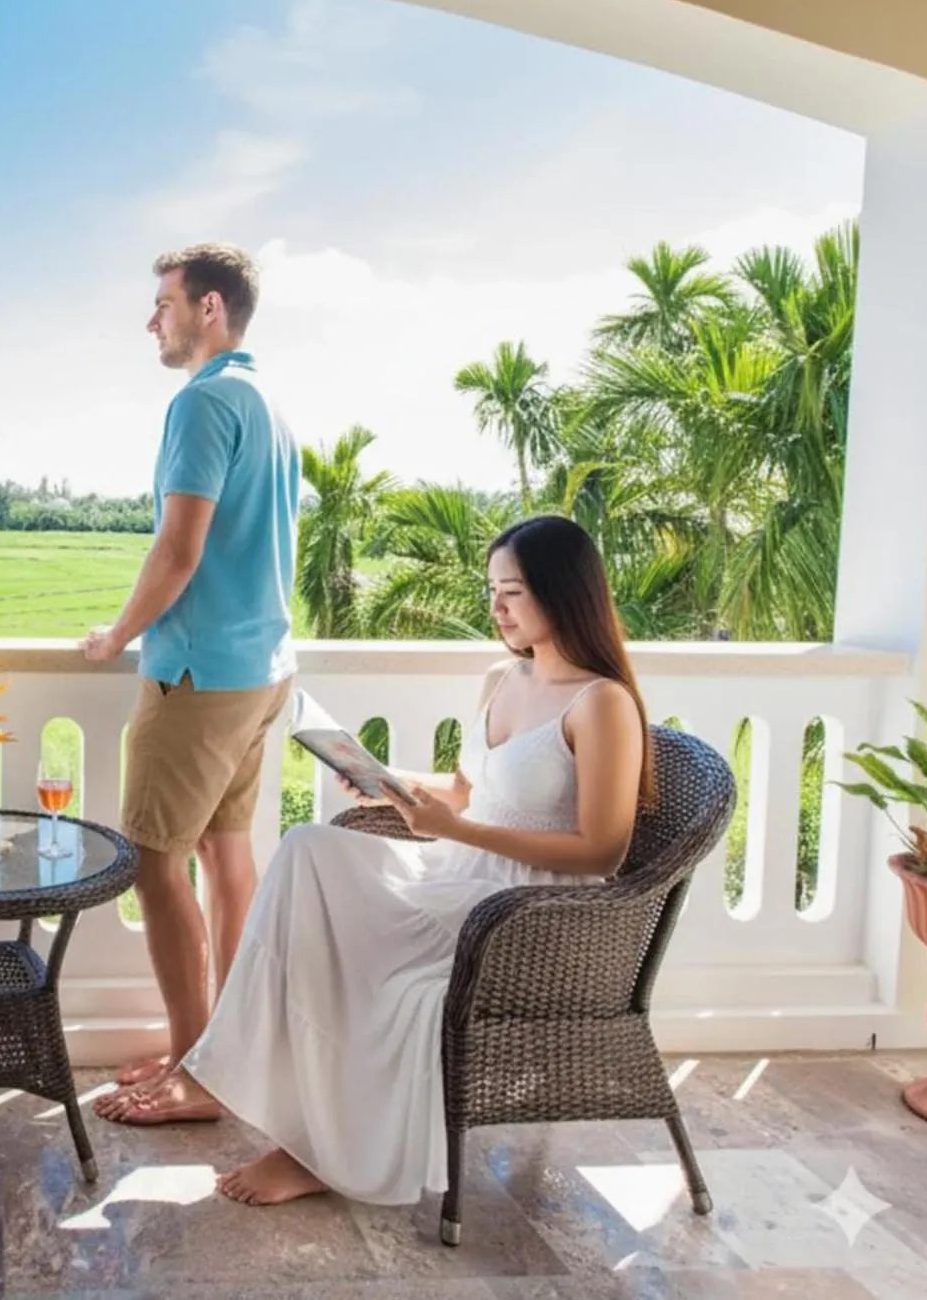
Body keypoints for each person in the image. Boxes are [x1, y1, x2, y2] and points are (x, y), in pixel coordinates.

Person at [101, 514, 652, 1213]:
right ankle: (230, 1072)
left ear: (562, 590)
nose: (497, 606)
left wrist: (458, 828)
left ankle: (323, 1153)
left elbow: (604, 848)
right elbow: (468, 788)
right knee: (308, 849)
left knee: (385, 968)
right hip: (461, 868)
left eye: (512, 591)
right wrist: (386, 779)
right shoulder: (502, 678)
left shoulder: (602, 703)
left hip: (527, 911)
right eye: (492, 589)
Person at [81, 243, 302, 1110]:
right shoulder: (270, 402)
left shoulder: (205, 402)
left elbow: (180, 550)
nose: (152, 321)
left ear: (210, 307)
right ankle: (221, 1052)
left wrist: (116, 635)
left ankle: (197, 1070)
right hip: (261, 672)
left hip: (199, 674)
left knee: (154, 862)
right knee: (226, 853)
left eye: (164, 304)